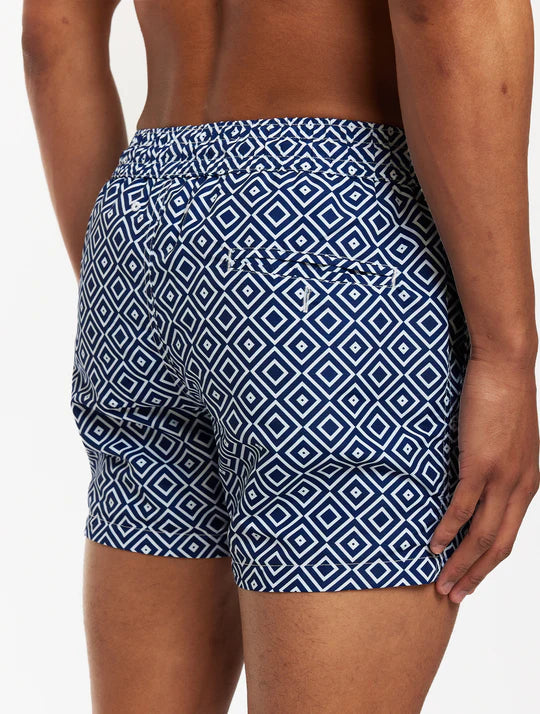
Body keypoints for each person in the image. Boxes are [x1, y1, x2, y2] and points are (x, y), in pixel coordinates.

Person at [22, 1, 539, 712]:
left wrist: (130, 283)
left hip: (142, 217)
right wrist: (507, 353)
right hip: (330, 229)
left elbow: (49, 34)